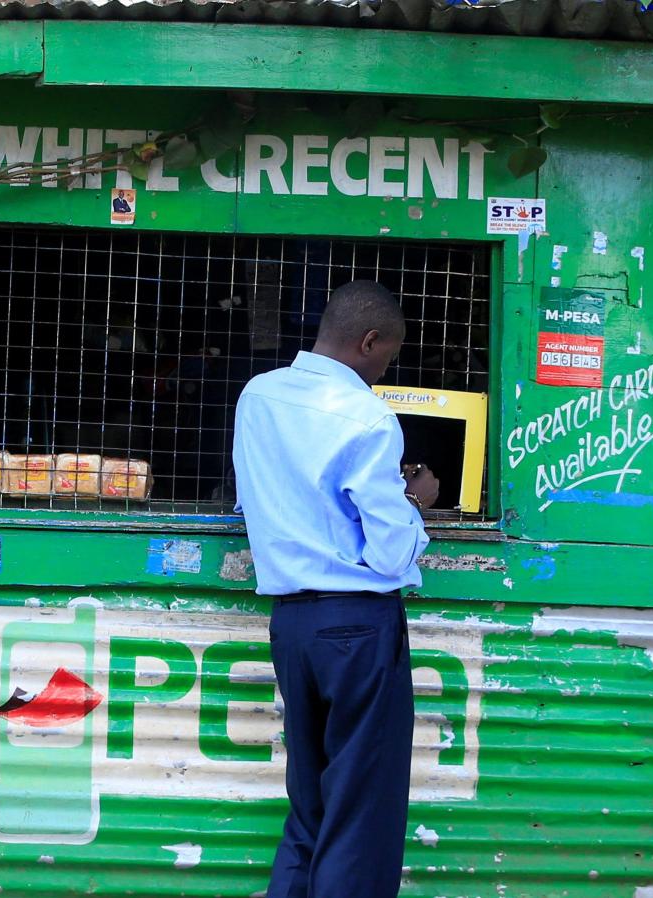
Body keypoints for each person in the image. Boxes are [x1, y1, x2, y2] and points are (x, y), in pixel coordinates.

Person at [232, 280, 439, 898]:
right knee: (362, 818)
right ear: (370, 341)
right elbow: (389, 552)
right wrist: (416, 503)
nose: (383, 371)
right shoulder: (367, 415)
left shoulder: (257, 395)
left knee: (313, 806)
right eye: (387, 358)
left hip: (291, 626)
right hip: (357, 627)